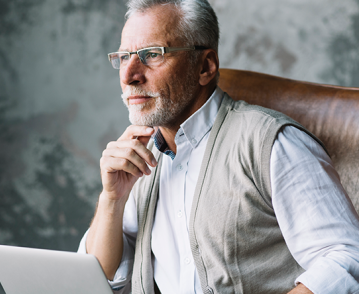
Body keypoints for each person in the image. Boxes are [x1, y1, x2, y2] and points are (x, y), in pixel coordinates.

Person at [78, 0, 359, 293]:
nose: (129, 75)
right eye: (124, 57)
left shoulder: (272, 144)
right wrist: (112, 198)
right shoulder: (138, 159)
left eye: (152, 54)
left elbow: (347, 260)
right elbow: (96, 281)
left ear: (205, 66)